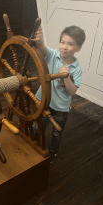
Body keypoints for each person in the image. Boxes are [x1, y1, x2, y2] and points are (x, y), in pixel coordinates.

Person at [33, 25, 86, 163]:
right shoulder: (53, 54)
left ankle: (53, 151)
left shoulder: (76, 69)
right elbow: (42, 47)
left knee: (57, 132)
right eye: (62, 42)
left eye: (70, 44)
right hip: (44, 99)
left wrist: (66, 77)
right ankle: (36, 141)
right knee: (39, 125)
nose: (64, 47)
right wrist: (40, 39)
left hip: (61, 108)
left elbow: (72, 91)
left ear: (78, 48)